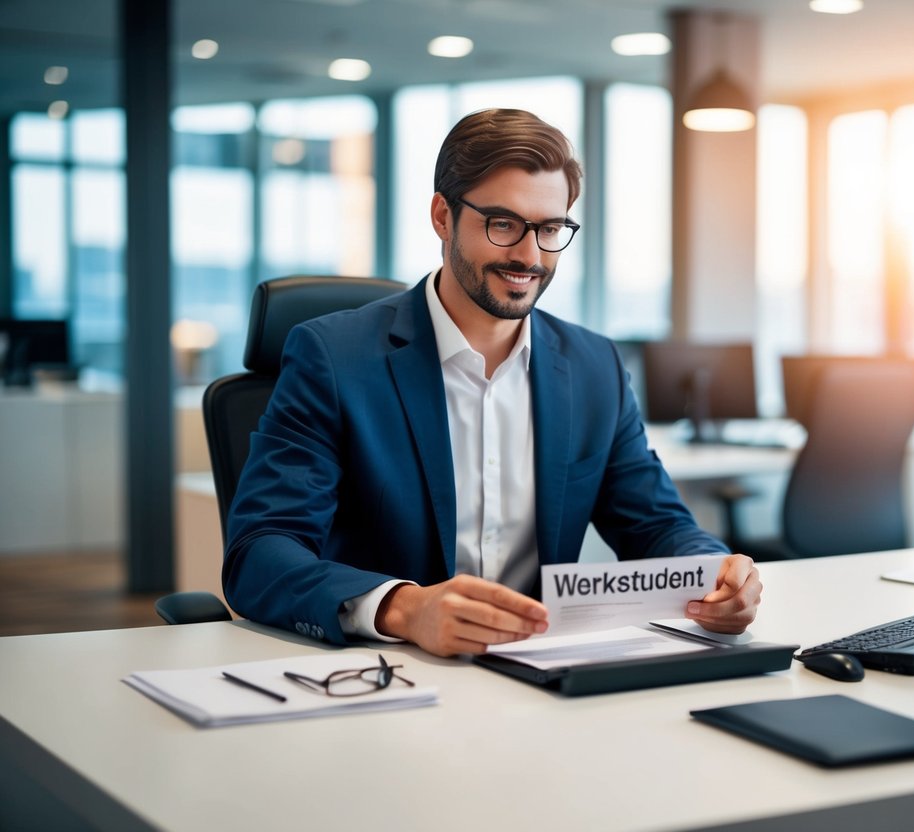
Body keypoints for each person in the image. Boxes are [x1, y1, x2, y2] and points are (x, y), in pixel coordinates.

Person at [223, 108, 762, 657]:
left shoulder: (593, 367)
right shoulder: (334, 358)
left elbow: (655, 524)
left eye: (549, 229)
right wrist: (406, 609)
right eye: (503, 224)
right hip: (386, 673)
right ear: (442, 216)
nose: (529, 256)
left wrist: (713, 573)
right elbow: (260, 553)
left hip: (539, 676)